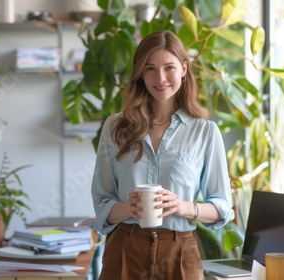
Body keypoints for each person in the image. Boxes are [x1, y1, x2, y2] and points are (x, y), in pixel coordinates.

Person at [89, 30, 235, 280]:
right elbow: (103, 205)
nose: (161, 78)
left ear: (184, 69)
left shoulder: (205, 132)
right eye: (150, 68)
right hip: (125, 250)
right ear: (140, 73)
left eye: (169, 67)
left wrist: (183, 207)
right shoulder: (116, 127)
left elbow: (222, 207)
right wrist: (128, 209)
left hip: (179, 252)